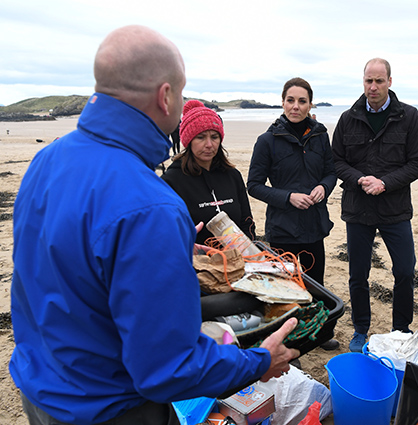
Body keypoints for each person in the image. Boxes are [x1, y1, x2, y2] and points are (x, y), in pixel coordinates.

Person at [10, 25, 299, 425]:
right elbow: (167, 369)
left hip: (39, 388)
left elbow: (69, 266)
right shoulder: (151, 205)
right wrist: (258, 362)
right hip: (108, 409)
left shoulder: (46, 162)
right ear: (166, 96)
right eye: (181, 94)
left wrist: (173, 250)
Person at [331, 58, 418, 352]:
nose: (373, 87)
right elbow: (336, 160)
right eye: (368, 81)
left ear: (389, 81)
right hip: (357, 208)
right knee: (358, 274)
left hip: (394, 208)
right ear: (363, 82)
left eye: (379, 81)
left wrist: (385, 182)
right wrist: (360, 179)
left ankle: (401, 328)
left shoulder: (409, 116)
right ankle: (361, 328)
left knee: (405, 271)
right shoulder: (348, 118)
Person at [247, 77, 339, 351]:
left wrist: (324, 187)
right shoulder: (267, 141)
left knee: (315, 285)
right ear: (283, 102)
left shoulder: (320, 136)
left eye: (302, 101)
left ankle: (320, 335)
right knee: (284, 290)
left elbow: (331, 172)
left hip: (313, 225)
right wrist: (287, 197)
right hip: (282, 228)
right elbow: (253, 185)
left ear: (310, 104)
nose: (295, 106)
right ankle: (286, 341)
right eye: (290, 100)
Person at [162, 100, 255, 246]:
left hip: (237, 261)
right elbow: (167, 232)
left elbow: (246, 222)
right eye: (201, 137)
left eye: (214, 137)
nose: (209, 144)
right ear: (189, 140)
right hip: (196, 263)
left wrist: (251, 254)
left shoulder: (233, 175)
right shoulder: (171, 181)